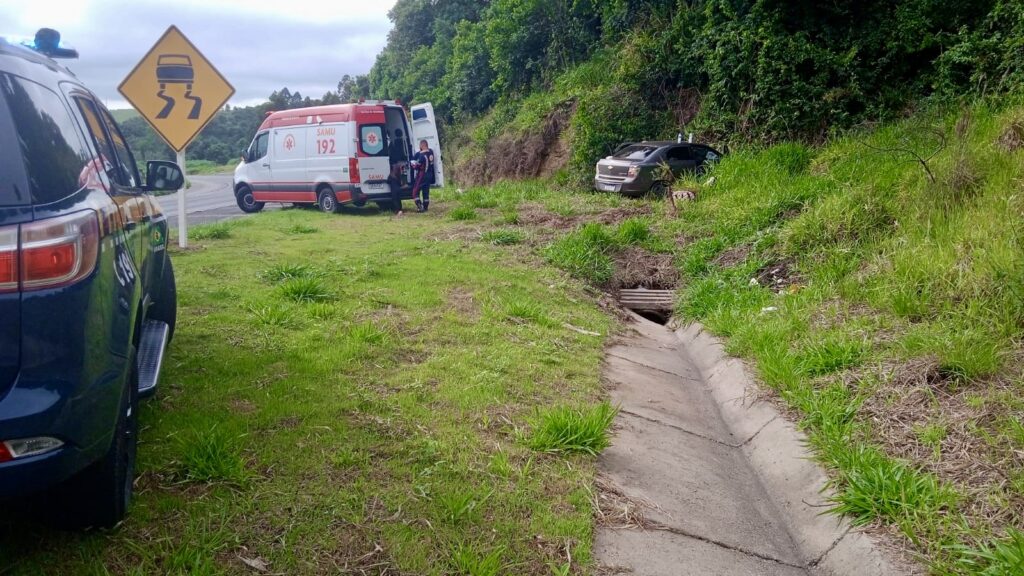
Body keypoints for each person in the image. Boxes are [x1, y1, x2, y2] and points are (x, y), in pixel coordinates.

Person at [410, 139, 435, 212]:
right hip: (429, 175)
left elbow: (417, 165)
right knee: (426, 191)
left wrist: (412, 164)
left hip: (422, 175)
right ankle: (426, 207)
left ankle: (420, 207)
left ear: (422, 145)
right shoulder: (431, 152)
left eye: (420, 146)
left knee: (415, 191)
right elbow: (426, 152)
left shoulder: (422, 156)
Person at [387, 128, 408, 213]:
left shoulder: (394, 142)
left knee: (401, 172)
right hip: (402, 159)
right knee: (403, 172)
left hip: (396, 161)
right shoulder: (403, 141)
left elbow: (392, 152)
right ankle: (404, 183)